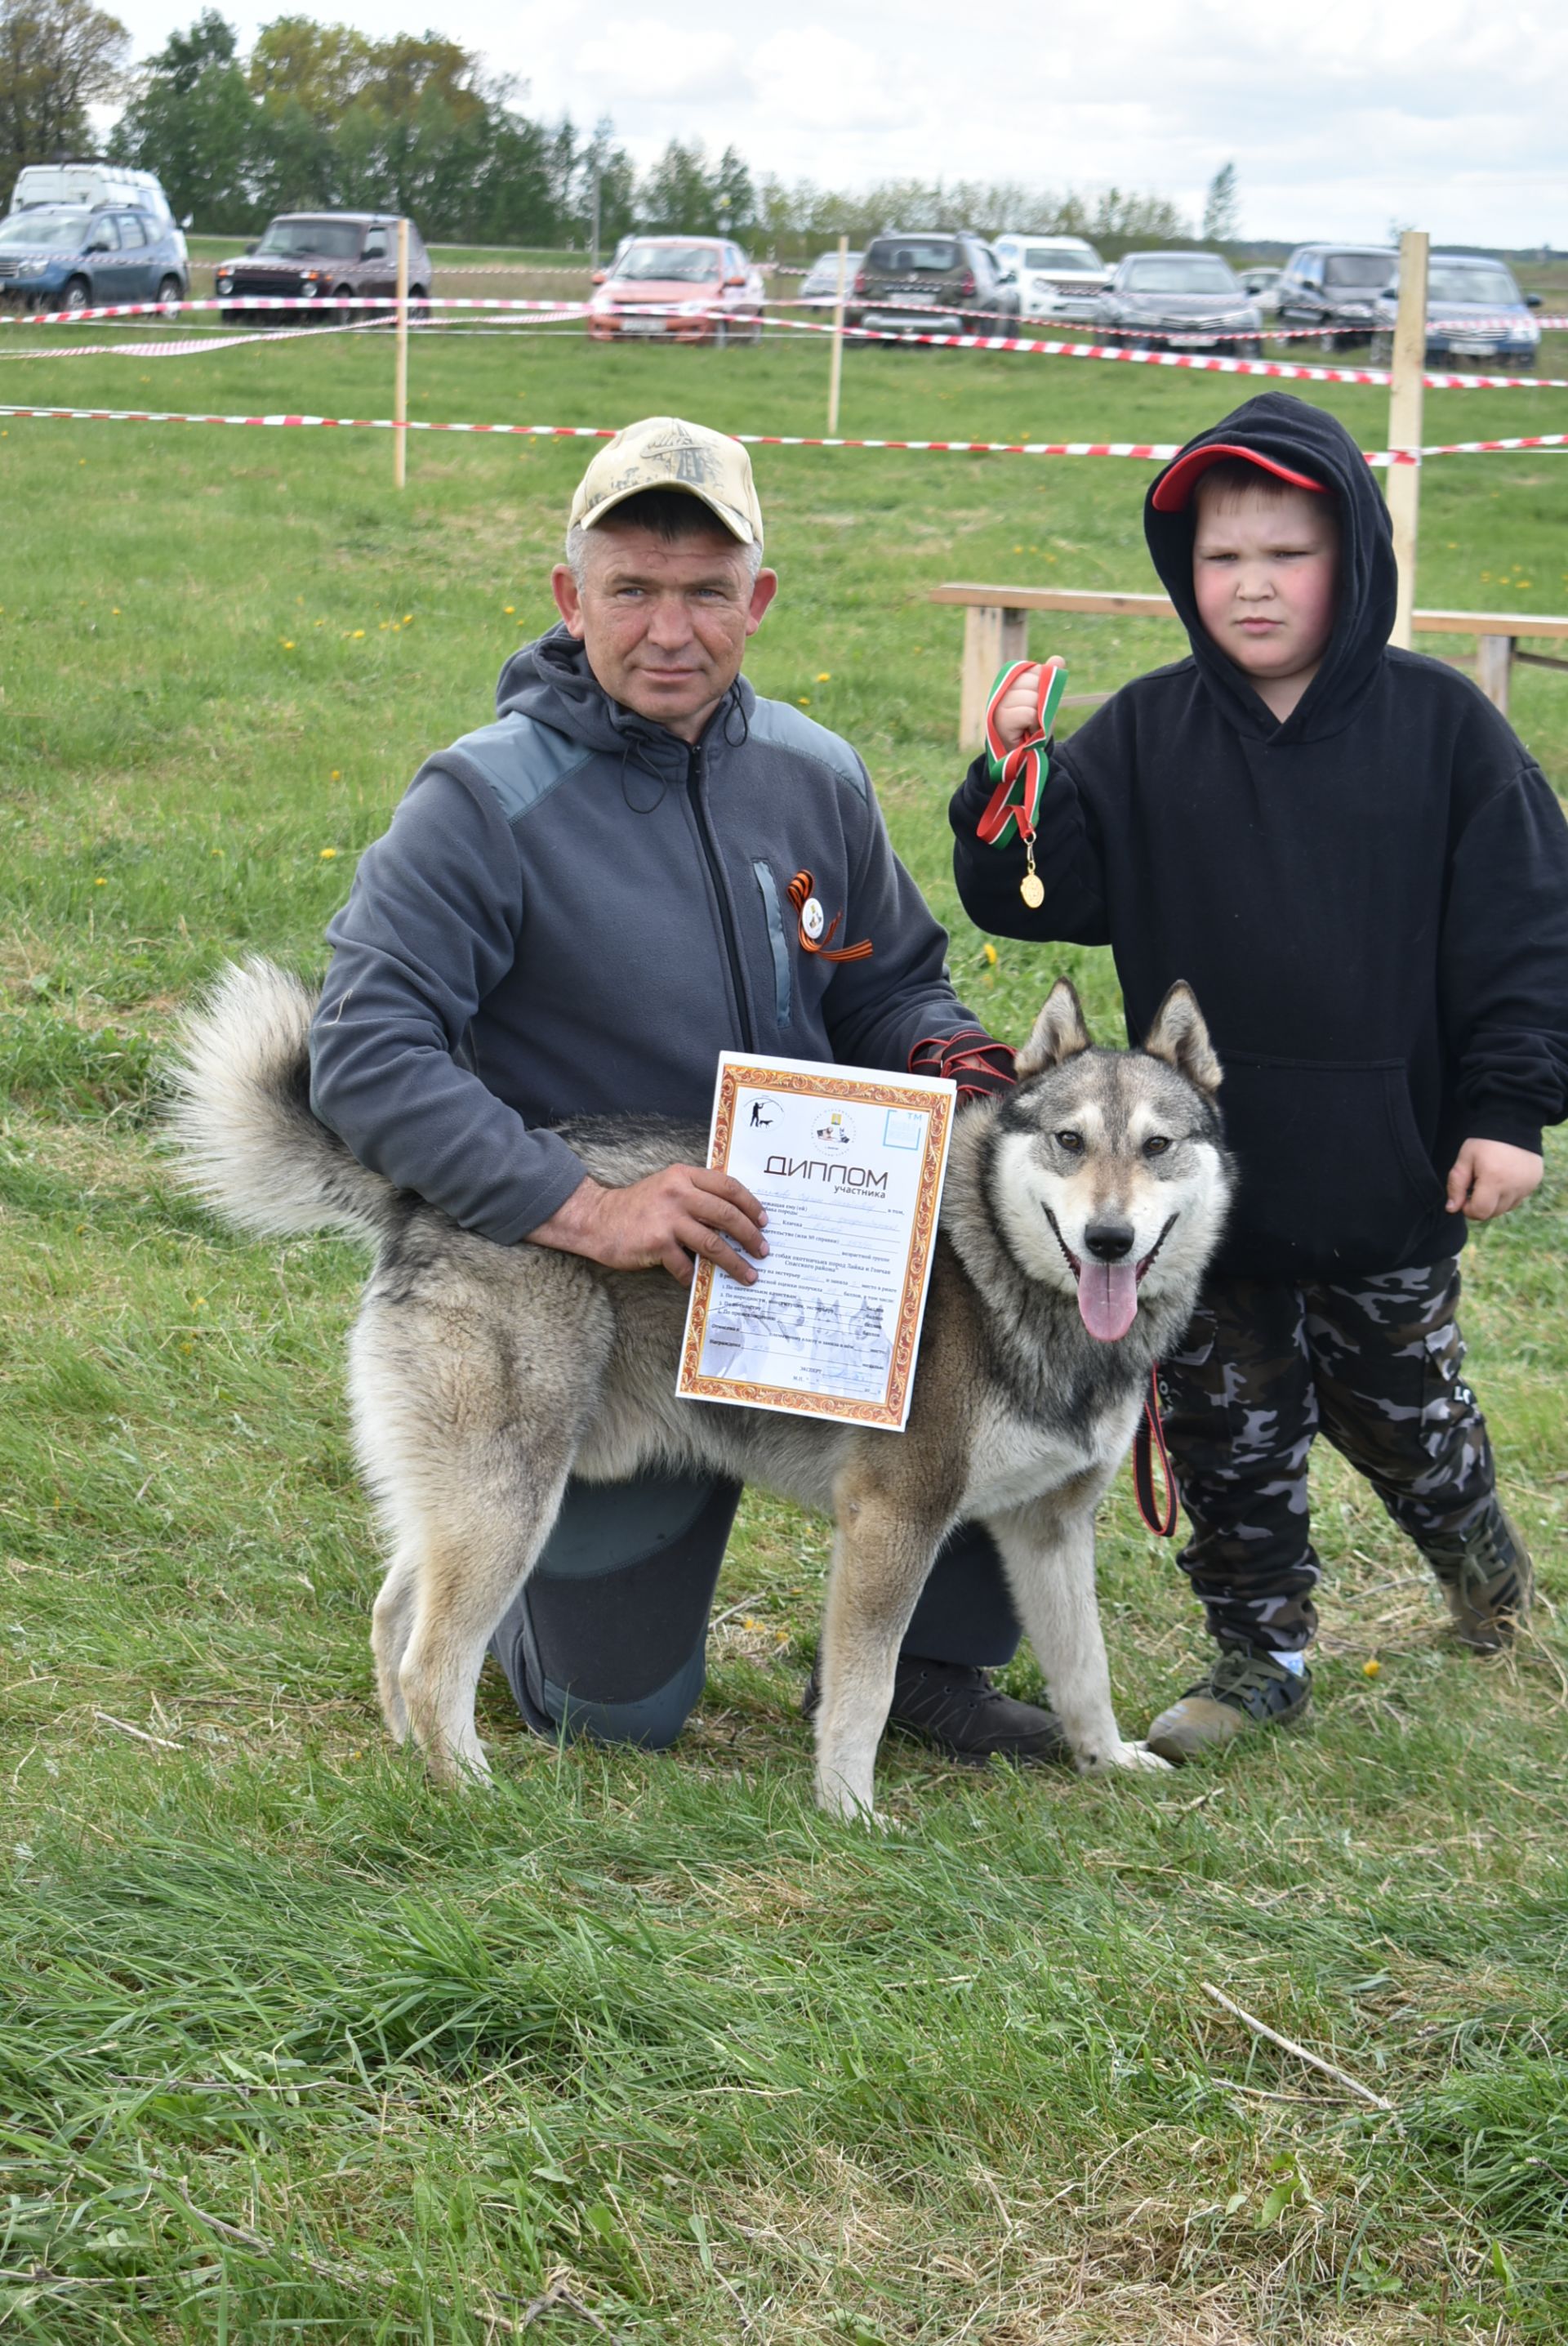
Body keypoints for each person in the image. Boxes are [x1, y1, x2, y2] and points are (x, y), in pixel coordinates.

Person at [309, 413, 1064, 1762]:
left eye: (708, 591)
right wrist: (581, 1207)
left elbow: (890, 985)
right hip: (597, 1299)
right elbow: (365, 1053)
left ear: (757, 601)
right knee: (616, 1718)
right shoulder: (482, 801)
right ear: (569, 597)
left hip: (806, 1267)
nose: (672, 629)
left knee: (982, 1373)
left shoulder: (817, 774)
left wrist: (948, 1058)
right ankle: (518, 1616)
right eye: (634, 589)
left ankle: (939, 1668)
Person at [950, 390, 1568, 1760]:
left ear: (1351, 554)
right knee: (1228, 1430)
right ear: (1187, 573)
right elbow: (1033, 896)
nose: (1253, 584)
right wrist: (1007, 793)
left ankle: (1484, 1571)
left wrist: (1508, 1109)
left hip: (1386, 1167)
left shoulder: (1446, 731)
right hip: (1175, 1196)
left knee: (1405, 1412)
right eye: (1224, 557)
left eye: (1285, 553)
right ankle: (1259, 1649)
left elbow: (1528, 929)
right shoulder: (1145, 731)